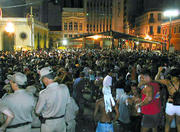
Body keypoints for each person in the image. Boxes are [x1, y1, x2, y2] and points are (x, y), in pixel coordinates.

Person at [36, 67, 71, 132]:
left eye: (42, 79)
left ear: (45, 79)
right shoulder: (65, 88)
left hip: (48, 124)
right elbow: (67, 104)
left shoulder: (43, 93)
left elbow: (37, 111)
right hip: (61, 121)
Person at [155, 68, 180, 132]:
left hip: (170, 105)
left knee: (167, 124)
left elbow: (156, 79)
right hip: (179, 106)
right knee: (179, 124)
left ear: (171, 75)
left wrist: (159, 71)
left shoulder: (168, 82)